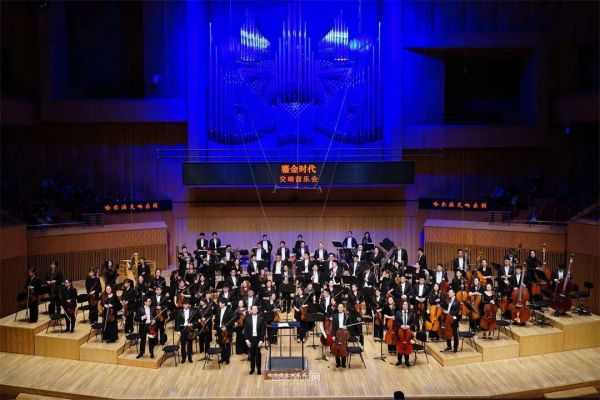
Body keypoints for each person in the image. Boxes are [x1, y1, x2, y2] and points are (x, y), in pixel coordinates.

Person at [244, 305, 265, 375]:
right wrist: (247, 340)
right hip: (250, 339)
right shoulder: (247, 319)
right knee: (251, 355)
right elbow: (246, 330)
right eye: (253, 309)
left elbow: (263, 331)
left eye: (256, 309)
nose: (254, 310)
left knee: (258, 354)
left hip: (258, 339)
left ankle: (259, 369)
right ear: (251, 310)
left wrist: (261, 340)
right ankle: (252, 369)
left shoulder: (261, 318)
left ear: (257, 310)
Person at [332, 302, 353, 368]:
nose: (340, 308)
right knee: (337, 348)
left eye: (341, 307)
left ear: (343, 308)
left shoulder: (347, 316)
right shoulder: (335, 315)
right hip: (337, 333)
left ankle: (343, 363)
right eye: (338, 307)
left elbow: (350, 325)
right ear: (337, 308)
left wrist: (346, 327)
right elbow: (333, 326)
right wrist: (333, 335)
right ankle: (338, 363)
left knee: (344, 347)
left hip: (344, 333)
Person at [394, 300, 415, 367]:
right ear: (402, 305)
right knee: (400, 344)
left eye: (406, 304)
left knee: (407, 345)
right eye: (404, 304)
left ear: (408, 306)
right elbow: (396, 322)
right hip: (400, 331)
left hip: (408, 331)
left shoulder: (411, 313)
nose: (405, 306)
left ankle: (407, 361)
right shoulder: (398, 313)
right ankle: (399, 360)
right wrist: (401, 326)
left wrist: (409, 326)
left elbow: (413, 323)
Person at [216, 298, 235, 364]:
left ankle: (227, 359)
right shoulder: (218, 310)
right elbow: (216, 320)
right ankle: (222, 358)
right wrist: (216, 328)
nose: (219, 304)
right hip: (219, 330)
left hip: (227, 331)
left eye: (220, 303)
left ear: (224, 304)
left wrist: (226, 327)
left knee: (227, 345)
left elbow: (232, 321)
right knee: (221, 344)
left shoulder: (229, 311)